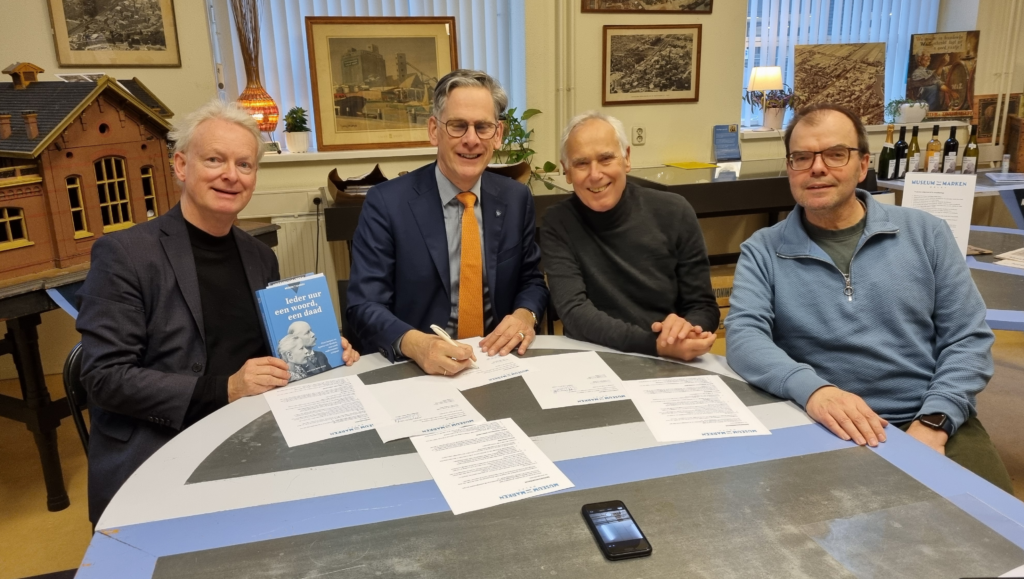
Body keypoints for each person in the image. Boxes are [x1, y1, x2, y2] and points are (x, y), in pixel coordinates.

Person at [76, 100, 359, 525]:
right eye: (214, 160)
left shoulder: (259, 256)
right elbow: (104, 378)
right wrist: (223, 389)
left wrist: (321, 349)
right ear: (181, 165)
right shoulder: (125, 255)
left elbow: (269, 349)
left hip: (252, 430)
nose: (231, 175)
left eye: (244, 164)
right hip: (163, 444)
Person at [725, 103, 1013, 493]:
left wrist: (936, 419)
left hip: (927, 415)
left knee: (992, 523)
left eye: (835, 154)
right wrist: (814, 391)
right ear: (790, 169)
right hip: (817, 417)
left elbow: (968, 338)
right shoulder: (762, 250)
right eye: (802, 157)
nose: (817, 168)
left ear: (863, 165)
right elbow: (744, 338)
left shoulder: (927, 234)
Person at [346, 70, 548, 376]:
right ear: (434, 130)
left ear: (498, 134)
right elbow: (364, 305)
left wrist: (524, 315)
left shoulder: (516, 199)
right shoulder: (387, 204)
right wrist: (416, 344)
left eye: (483, 127)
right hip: (417, 368)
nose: (471, 139)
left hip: (496, 362)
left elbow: (531, 281)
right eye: (457, 126)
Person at [541, 112, 719, 359]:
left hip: (670, 355)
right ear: (567, 171)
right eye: (581, 163)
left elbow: (703, 306)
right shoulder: (558, 222)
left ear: (626, 158)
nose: (595, 174)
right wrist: (654, 345)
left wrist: (685, 331)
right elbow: (574, 311)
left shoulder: (674, 211)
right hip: (594, 355)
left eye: (606, 159)